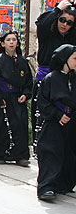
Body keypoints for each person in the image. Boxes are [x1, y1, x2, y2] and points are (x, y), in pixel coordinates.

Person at [0, 30, 33, 166]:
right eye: (8, 40)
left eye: (14, 40)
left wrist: (26, 94)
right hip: (3, 98)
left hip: (18, 98)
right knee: (1, 126)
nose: (11, 42)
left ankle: (20, 156)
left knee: (20, 126)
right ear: (3, 43)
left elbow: (28, 82)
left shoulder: (23, 62)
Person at [32, 0, 76, 148]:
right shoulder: (47, 33)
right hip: (45, 78)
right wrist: (58, 9)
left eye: (69, 22)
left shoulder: (71, 37)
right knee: (44, 119)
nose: (64, 25)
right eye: (62, 20)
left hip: (64, 83)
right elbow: (42, 24)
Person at [35, 44, 76, 201]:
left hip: (71, 123)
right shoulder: (51, 78)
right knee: (51, 154)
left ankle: (63, 184)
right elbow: (43, 102)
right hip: (54, 123)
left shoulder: (73, 78)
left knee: (69, 154)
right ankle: (47, 186)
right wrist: (58, 115)